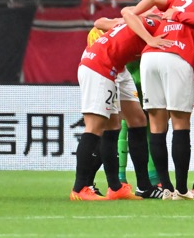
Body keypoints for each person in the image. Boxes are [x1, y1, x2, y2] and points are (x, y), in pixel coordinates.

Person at [121, 0, 194, 200]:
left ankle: (166, 189)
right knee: (180, 124)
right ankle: (181, 189)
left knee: (156, 125)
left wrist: (136, 15)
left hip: (150, 56)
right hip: (177, 56)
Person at [71, 12, 171, 201]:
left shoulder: (150, 25)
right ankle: (80, 188)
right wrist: (150, 37)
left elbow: (112, 21)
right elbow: (127, 12)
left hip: (118, 68)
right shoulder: (153, 23)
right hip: (99, 65)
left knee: (135, 120)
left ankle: (123, 187)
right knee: (95, 126)